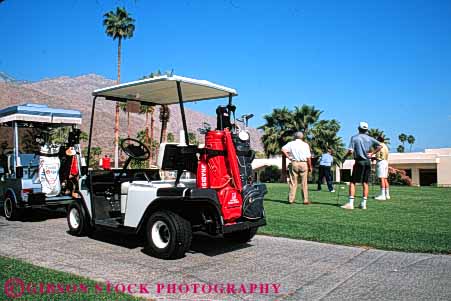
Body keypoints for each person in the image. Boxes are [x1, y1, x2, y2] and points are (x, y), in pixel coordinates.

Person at [341, 122, 382, 210]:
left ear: (358, 128)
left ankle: (350, 204)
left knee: (353, 182)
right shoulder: (370, 138)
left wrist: (344, 158)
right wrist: (372, 154)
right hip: (367, 162)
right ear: (366, 129)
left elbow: (350, 151)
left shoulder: (354, 138)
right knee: (365, 182)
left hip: (359, 162)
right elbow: (380, 146)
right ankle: (363, 204)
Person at [281, 132, 313, 205]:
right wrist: (310, 166)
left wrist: (288, 156)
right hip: (303, 163)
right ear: (302, 137)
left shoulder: (291, 143)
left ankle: (291, 200)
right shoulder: (305, 145)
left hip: (294, 163)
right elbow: (308, 157)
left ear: (295, 136)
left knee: (293, 182)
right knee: (304, 183)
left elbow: (283, 149)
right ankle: (305, 200)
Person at [374, 136, 390, 200]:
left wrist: (372, 155)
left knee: (382, 179)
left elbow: (378, 156)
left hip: (381, 162)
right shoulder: (385, 146)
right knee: (385, 178)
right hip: (385, 162)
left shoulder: (379, 145)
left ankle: (382, 196)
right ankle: (387, 195)